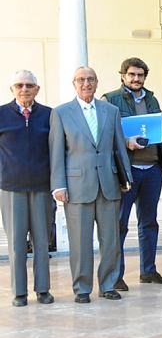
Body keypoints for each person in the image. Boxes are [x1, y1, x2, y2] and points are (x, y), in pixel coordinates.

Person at [50, 66, 132, 303]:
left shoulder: (111, 110)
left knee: (111, 239)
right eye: (81, 80)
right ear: (74, 83)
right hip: (76, 187)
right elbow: (56, 152)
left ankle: (108, 284)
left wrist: (126, 177)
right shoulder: (61, 113)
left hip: (108, 184)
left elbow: (118, 145)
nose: (86, 84)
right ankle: (82, 288)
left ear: (97, 83)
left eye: (91, 79)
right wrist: (58, 185)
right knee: (80, 241)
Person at [101, 57, 162, 290]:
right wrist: (125, 141)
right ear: (122, 75)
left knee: (149, 222)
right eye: (131, 74)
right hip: (126, 170)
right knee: (119, 223)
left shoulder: (152, 99)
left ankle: (148, 271)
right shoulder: (110, 100)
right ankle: (115, 275)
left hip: (152, 168)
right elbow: (104, 134)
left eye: (140, 75)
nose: (136, 79)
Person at [0, 70, 53, 306]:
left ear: (37, 89)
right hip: (12, 188)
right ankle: (19, 292)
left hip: (42, 187)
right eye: (19, 85)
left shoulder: (49, 116)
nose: (24, 89)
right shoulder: (1, 114)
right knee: (16, 243)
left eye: (29, 85)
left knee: (42, 241)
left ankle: (43, 289)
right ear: (12, 89)